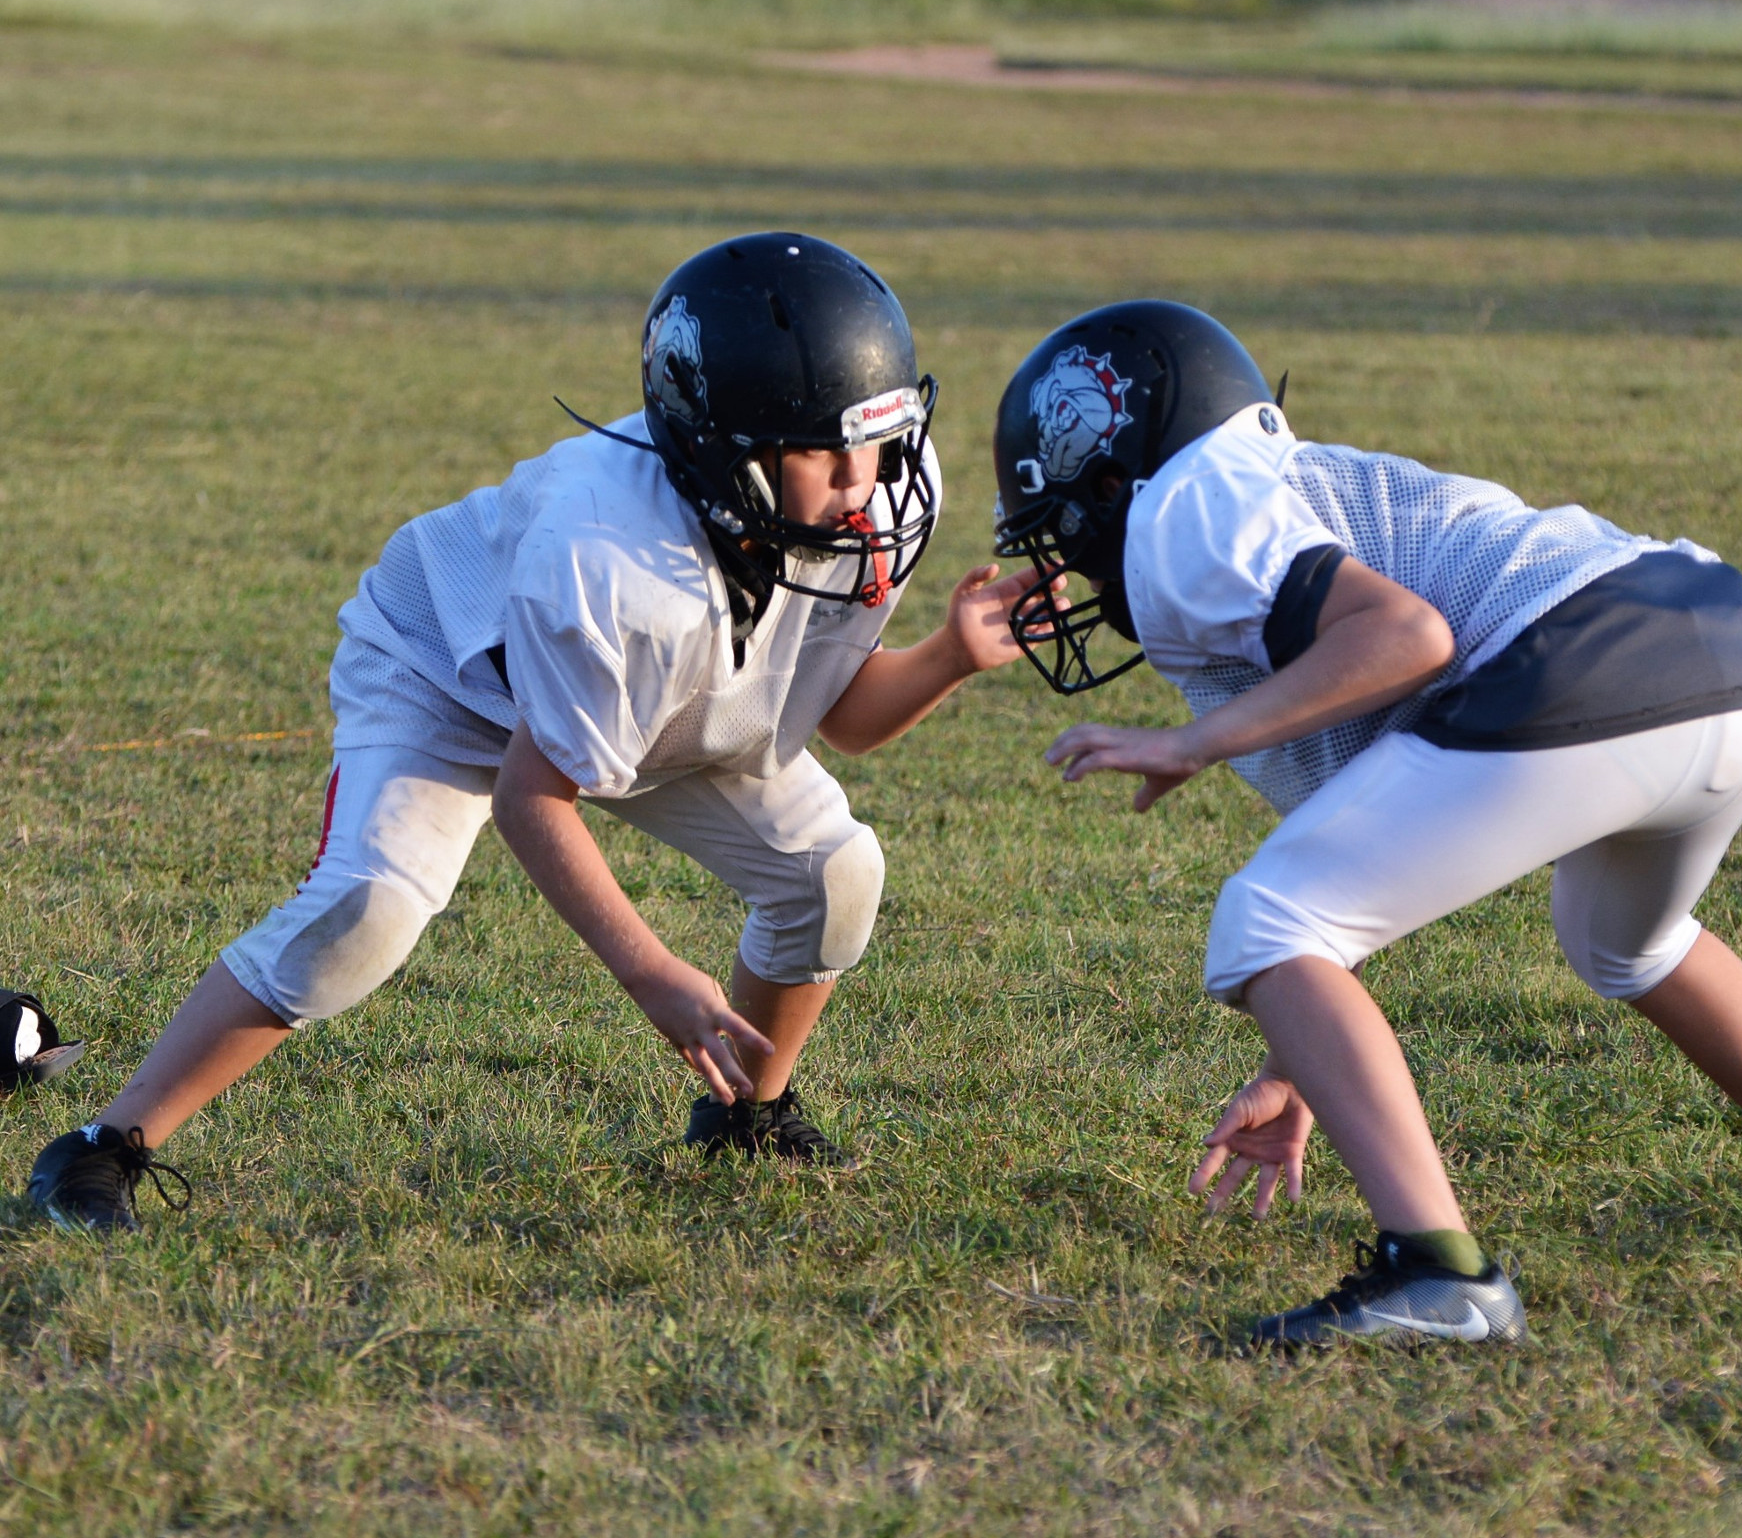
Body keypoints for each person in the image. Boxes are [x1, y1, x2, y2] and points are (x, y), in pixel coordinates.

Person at [30, 232, 1046, 1232]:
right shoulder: (609, 555)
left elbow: (844, 717)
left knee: (832, 873)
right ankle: (103, 1145)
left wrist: (948, 655)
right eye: (823, 446)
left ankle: (745, 1114)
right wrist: (651, 971)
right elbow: (533, 796)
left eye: (873, 435)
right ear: (722, 449)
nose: (862, 474)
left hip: (652, 688)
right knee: (368, 911)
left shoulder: (868, 500)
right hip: (450, 672)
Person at [991, 299, 1742, 1348]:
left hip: (1590, 651)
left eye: (1068, 538)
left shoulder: (1184, 512)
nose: (1075, 574)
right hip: (1722, 644)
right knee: (1624, 945)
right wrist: (1298, 1064)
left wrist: (1196, 741)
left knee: (1261, 919)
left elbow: (1406, 634)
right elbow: (1369, 850)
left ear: (1111, 475)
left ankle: (1438, 1272)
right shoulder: (1267, 504)